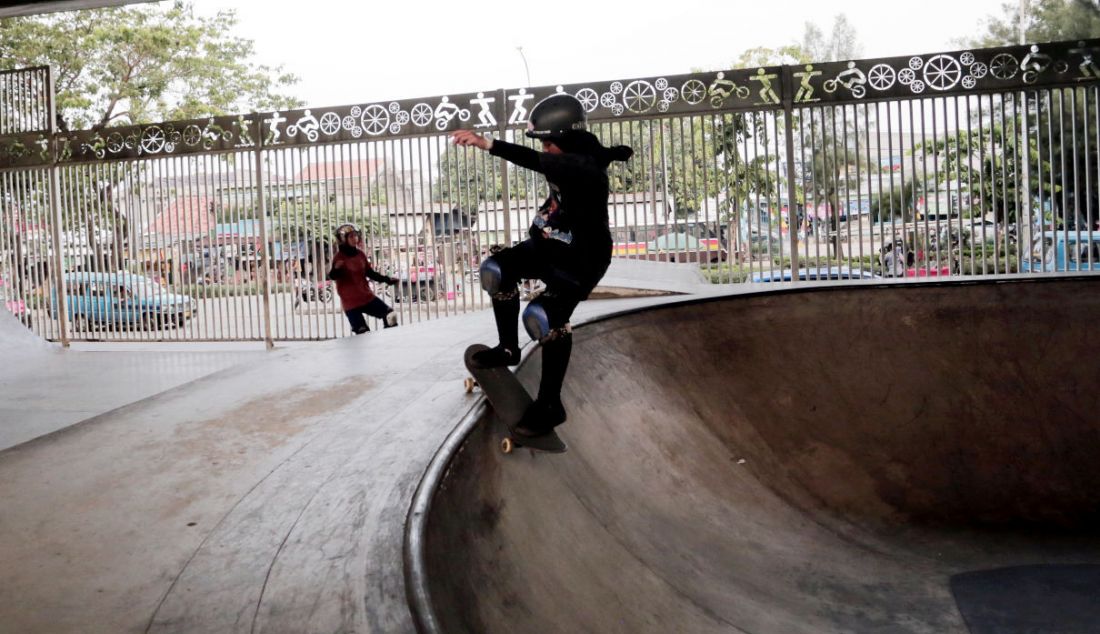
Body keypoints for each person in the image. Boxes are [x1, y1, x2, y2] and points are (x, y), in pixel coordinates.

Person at [451, 94, 633, 437]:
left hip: (582, 261)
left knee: (542, 318)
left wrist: (485, 143)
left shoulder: (584, 167)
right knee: (495, 271)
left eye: (549, 142)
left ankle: (550, 405)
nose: (546, 148)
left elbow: (531, 160)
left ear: (565, 140)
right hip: (547, 245)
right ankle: (508, 348)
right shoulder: (567, 155)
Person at [327, 223, 399, 334]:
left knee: (390, 315)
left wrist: (387, 279)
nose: (355, 238)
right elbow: (333, 276)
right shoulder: (339, 257)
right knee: (362, 332)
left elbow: (370, 273)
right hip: (351, 302)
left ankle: (388, 342)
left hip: (366, 297)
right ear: (342, 239)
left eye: (355, 235)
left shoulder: (360, 254)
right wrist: (336, 269)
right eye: (351, 236)